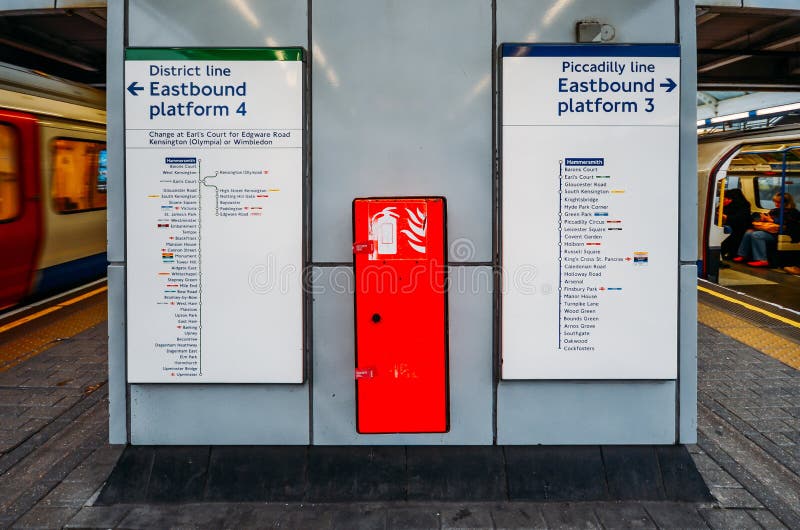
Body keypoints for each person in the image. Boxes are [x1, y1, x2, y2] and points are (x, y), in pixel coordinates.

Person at [733, 192, 800, 267]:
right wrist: (762, 219)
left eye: (778, 202)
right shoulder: (775, 210)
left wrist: (772, 220)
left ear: (786, 202)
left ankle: (762, 260)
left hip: (782, 233)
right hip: (769, 231)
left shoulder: (793, 212)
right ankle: (743, 255)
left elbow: (789, 224)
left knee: (757, 235)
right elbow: (768, 220)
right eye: (775, 202)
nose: (776, 204)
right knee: (748, 232)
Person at [720, 188, 752, 260]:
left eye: (727, 198)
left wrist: (726, 217)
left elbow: (740, 218)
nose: (725, 199)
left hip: (740, 226)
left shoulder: (744, 205)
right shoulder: (725, 205)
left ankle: (729, 253)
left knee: (730, 232)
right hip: (730, 224)